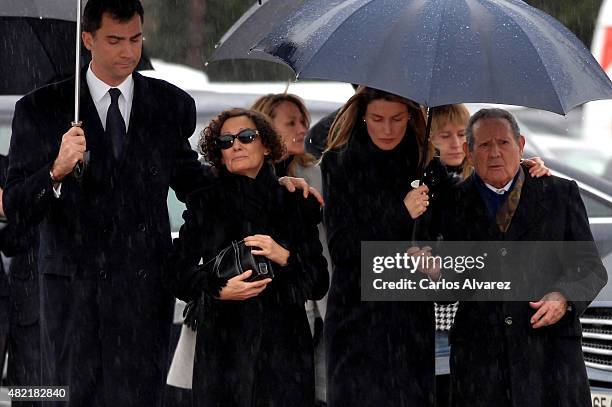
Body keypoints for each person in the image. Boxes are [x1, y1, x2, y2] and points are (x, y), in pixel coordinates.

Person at [3, 1, 207, 405]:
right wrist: (55, 171)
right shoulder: (42, 109)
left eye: (135, 39)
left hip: (143, 295)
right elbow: (17, 207)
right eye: (114, 40)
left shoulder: (168, 105)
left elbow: (199, 191)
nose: (127, 52)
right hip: (71, 299)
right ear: (88, 39)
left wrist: (179, 259)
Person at [424, 108, 607, 407]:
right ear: (469, 151)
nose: (495, 152)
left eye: (504, 143)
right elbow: (447, 292)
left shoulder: (559, 193)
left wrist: (564, 297)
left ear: (520, 145)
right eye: (484, 145)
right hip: (481, 369)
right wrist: (435, 274)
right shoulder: (452, 203)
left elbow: (591, 268)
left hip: (550, 362)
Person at [166, 108, 329, 406]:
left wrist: (284, 256)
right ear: (220, 155)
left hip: (285, 349)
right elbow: (176, 273)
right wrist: (217, 289)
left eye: (246, 137)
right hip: (223, 351)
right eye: (225, 142)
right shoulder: (206, 202)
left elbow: (318, 282)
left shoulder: (295, 201)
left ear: (266, 145)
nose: (236, 145)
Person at [321, 86, 436, 407]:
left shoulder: (425, 163)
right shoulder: (338, 164)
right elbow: (343, 248)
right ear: (362, 118)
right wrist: (400, 214)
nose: (387, 129)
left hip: (410, 319)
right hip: (356, 315)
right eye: (377, 118)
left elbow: (452, 224)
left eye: (397, 119)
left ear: (411, 117)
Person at [251, 93, 332, 405]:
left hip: (315, 296)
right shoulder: (246, 176)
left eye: (304, 122)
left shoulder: (318, 173)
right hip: (264, 309)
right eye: (291, 123)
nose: (302, 129)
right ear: (266, 127)